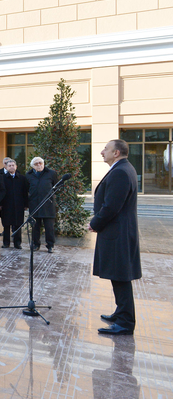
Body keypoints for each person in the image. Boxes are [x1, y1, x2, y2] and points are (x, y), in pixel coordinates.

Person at [88, 139, 141, 336]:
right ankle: (121, 313)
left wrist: (95, 223)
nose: (102, 152)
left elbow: (112, 206)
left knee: (121, 276)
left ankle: (126, 322)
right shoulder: (122, 168)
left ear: (116, 152)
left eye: (106, 149)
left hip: (118, 233)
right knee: (118, 275)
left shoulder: (120, 171)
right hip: (118, 232)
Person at [25, 156, 58, 253]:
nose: (39, 165)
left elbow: (56, 186)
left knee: (49, 227)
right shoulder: (29, 175)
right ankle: (36, 244)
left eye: (40, 162)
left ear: (43, 163)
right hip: (34, 204)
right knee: (35, 227)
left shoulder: (51, 173)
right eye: (36, 164)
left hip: (48, 205)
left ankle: (50, 245)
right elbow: (26, 189)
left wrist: (50, 195)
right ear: (32, 166)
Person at [0, 159, 29, 249]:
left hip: (18, 205)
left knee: (18, 224)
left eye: (13, 165)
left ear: (16, 167)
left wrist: (26, 204)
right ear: (6, 167)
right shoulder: (2, 178)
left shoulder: (22, 178)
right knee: (6, 225)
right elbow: (0, 191)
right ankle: (6, 243)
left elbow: (25, 192)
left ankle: (17, 243)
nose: (11, 167)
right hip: (6, 205)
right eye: (9, 165)